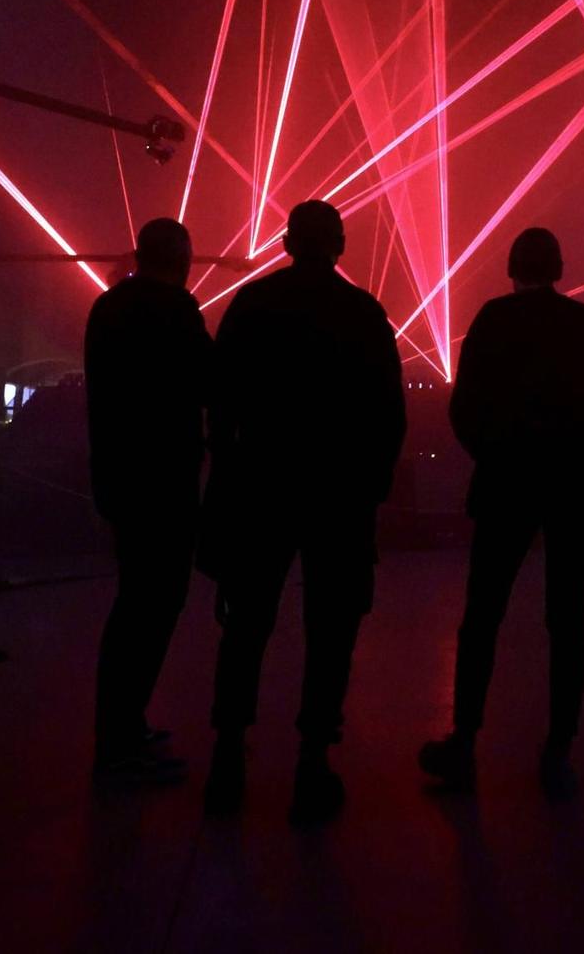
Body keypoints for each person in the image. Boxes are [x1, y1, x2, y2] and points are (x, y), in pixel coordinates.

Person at [201, 200, 406, 825]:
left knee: (246, 624)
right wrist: (371, 490)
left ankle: (228, 758)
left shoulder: (253, 304)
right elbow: (388, 416)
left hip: (262, 485)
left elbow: (220, 401)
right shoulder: (363, 313)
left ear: (287, 242)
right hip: (339, 493)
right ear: (339, 245)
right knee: (333, 628)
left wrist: (229, 474)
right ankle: (313, 761)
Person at [419, 227, 584, 801]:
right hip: (573, 492)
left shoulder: (493, 320)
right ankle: (559, 752)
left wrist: (497, 454)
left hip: (507, 486)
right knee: (568, 621)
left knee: (482, 615)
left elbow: (465, 408)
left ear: (512, 268)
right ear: (559, 267)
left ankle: (463, 742)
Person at [83, 218, 212, 784]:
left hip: (119, 477)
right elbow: (212, 383)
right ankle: (119, 744)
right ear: (182, 259)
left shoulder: (106, 310)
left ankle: (121, 728)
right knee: (154, 604)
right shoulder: (178, 312)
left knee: (134, 601)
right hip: (165, 481)